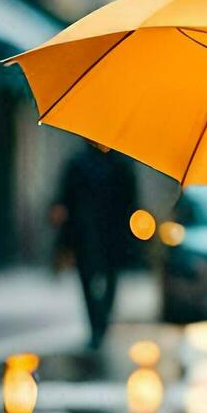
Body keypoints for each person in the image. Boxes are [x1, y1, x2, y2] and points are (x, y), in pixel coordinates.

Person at [52, 144, 139, 350]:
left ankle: (102, 323)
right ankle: (95, 325)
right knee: (87, 280)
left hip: (111, 232)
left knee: (110, 279)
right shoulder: (79, 163)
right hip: (84, 233)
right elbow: (66, 197)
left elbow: (130, 200)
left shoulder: (121, 165)